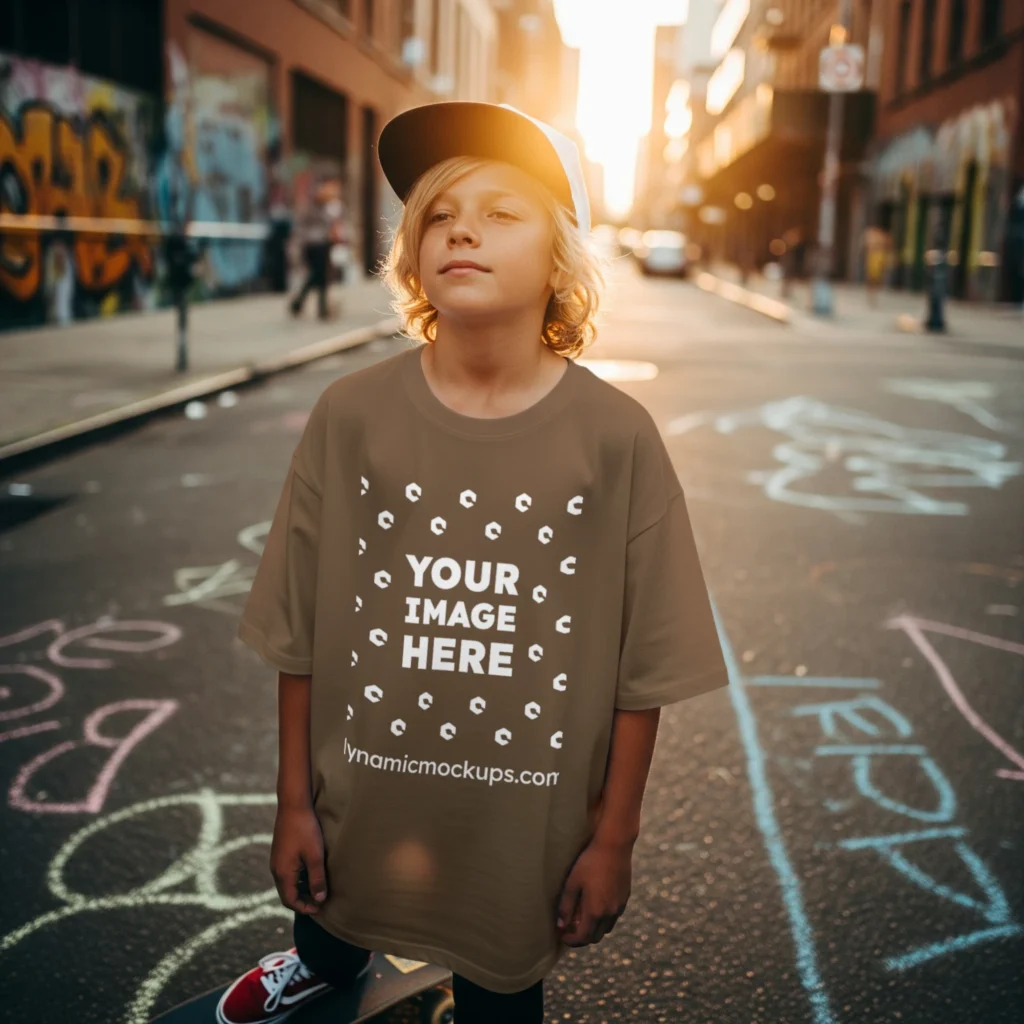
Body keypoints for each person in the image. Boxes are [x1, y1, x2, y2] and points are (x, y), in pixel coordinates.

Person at [218, 101, 729, 1024]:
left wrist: (614, 838)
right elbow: (298, 631)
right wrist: (294, 802)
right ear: (413, 252)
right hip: (358, 799)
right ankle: (323, 965)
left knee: (501, 995)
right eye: (441, 214)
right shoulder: (350, 415)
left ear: (562, 257)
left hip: (520, 831)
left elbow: (643, 666)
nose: (463, 228)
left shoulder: (616, 438)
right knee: (330, 924)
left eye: (502, 213)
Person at [289, 178, 342, 320]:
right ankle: (308, 306)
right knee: (318, 275)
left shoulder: (330, 206)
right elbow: (299, 227)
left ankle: (313, 307)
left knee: (320, 277)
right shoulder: (309, 206)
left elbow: (333, 224)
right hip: (312, 245)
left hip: (324, 244)